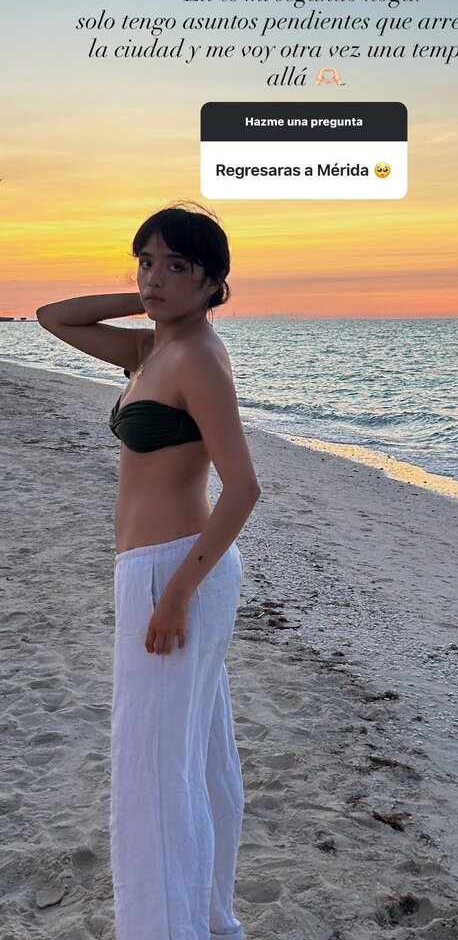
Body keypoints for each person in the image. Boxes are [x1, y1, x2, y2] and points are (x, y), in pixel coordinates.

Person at [36, 203, 260, 940]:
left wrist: (174, 596)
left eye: (176, 266)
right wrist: (154, 299)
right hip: (159, 569)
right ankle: (210, 922)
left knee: (154, 773)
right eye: (145, 262)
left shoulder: (195, 359)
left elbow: (243, 488)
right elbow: (52, 316)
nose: (153, 278)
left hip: (175, 572)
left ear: (214, 283)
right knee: (196, 755)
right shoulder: (148, 350)